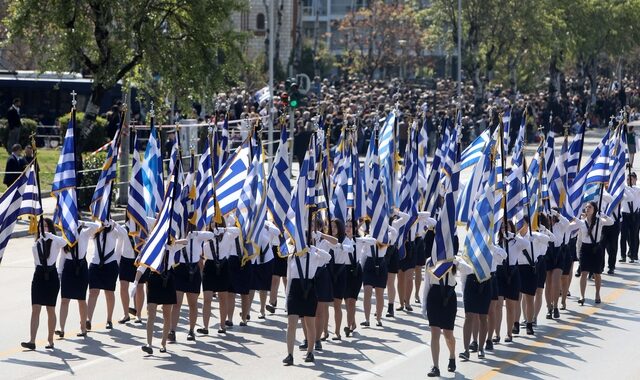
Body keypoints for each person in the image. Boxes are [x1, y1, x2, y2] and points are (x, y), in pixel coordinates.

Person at [282, 241, 331, 366]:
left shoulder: (313, 255)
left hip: (309, 289)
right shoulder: (291, 256)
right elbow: (289, 278)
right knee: (291, 323)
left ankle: (310, 352)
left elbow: (328, 257)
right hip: (295, 289)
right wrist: (286, 299)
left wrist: (314, 249)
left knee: (310, 323)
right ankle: (290, 355)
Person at [132, 240, 185, 354]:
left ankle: (163, 344)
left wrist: (173, 242)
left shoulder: (171, 246)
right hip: (154, 279)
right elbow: (141, 267)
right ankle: (149, 344)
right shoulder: (151, 247)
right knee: (151, 312)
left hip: (168, 279)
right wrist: (135, 282)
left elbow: (186, 242)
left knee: (166, 313)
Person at [21, 218, 66, 350]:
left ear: (50, 228)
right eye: (41, 226)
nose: (43, 229)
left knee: (50, 309)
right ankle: (32, 341)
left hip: (51, 276)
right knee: (35, 309)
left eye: (46, 226)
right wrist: (41, 240)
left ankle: (50, 340)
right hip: (39, 276)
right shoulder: (36, 244)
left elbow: (64, 242)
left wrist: (51, 236)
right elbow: (36, 263)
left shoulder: (55, 242)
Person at [459, 245, 506, 361]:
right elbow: (463, 271)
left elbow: (503, 257)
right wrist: (464, 288)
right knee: (468, 316)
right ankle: (466, 350)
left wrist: (492, 247)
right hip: (471, 282)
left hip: (486, 281)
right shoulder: (469, 245)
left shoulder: (490, 247)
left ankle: (481, 347)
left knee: (483, 317)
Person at [55, 221, 100, 339]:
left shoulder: (84, 233)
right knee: (65, 299)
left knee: (81, 299)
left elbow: (96, 227)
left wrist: (83, 222)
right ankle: (61, 328)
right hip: (68, 267)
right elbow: (62, 256)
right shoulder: (66, 236)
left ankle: (83, 327)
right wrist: (59, 272)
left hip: (81, 267)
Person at [195, 217, 238, 335]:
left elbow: (238, 231)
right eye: (213, 222)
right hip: (209, 266)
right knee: (207, 298)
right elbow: (197, 235)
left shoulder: (228, 235)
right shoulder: (207, 236)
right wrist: (210, 233)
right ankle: (205, 326)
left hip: (223, 266)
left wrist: (224, 229)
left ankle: (222, 325)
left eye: (217, 221)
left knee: (223, 298)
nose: (215, 224)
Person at [422, 257, 463, 377]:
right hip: (434, 296)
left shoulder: (454, 259)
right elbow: (427, 284)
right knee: (435, 332)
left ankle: (452, 355)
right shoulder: (430, 261)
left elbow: (468, 270)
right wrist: (424, 306)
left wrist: (455, 262)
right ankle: (435, 366)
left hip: (449, 296)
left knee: (448, 334)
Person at [87, 220, 124, 331]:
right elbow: (85, 230)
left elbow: (124, 234)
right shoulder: (95, 229)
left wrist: (114, 223)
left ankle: (109, 319)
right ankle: (88, 319)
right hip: (95, 263)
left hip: (110, 263)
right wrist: (99, 224)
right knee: (93, 292)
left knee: (109, 293)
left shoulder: (113, 230)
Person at [169, 223, 203, 342]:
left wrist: (197, 233)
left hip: (193, 270)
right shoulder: (177, 236)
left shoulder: (198, 236)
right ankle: (172, 331)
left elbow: (210, 235)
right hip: (180, 269)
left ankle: (191, 330)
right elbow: (171, 244)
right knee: (176, 303)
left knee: (192, 304)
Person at [576, 201, 613, 305]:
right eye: (586, 207)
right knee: (584, 273)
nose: (587, 209)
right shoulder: (581, 222)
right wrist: (578, 252)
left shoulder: (599, 220)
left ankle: (597, 294)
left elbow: (611, 222)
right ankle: (582, 295)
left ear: (594, 209)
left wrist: (603, 214)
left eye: (590, 207)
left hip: (596, 248)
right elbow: (579, 238)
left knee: (597, 273)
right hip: (585, 248)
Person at [116, 220, 148, 324]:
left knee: (139, 287)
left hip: (139, 259)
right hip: (126, 260)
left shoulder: (143, 227)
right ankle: (126, 314)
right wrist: (117, 263)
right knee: (123, 286)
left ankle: (138, 314)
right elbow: (118, 247)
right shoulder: (123, 228)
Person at [343, 218, 362, 338]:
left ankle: (348, 326)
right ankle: (353, 323)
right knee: (346, 301)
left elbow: (373, 241)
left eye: (351, 226)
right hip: (345, 271)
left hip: (356, 272)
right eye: (347, 226)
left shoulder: (359, 241)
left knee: (351, 301)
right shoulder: (342, 241)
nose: (348, 228)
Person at [619, 173, 640, 263]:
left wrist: (623, 186)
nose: (629, 181)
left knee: (633, 235)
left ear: (635, 180)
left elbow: (632, 195)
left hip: (635, 215)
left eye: (631, 180)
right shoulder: (624, 190)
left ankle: (632, 254)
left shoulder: (637, 189)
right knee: (623, 236)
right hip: (625, 214)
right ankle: (623, 255)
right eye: (627, 180)